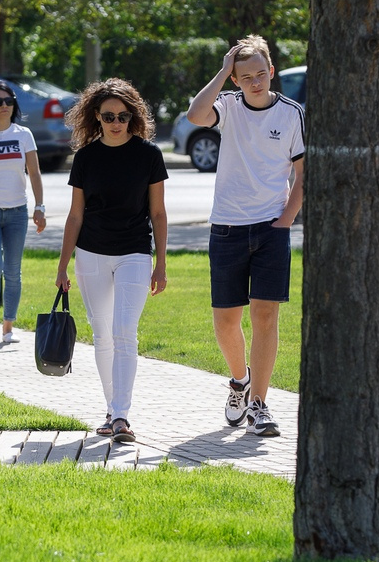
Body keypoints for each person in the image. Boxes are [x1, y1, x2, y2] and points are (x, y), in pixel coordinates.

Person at [185, 35, 303, 438]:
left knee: (265, 317)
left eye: (261, 74)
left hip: (272, 228)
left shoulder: (292, 114)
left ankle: (260, 405)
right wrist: (222, 70)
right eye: (245, 76)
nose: (255, 82)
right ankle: (239, 381)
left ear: (272, 72)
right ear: (236, 80)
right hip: (227, 227)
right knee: (225, 321)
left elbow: (304, 175)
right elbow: (195, 115)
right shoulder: (228, 107)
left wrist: (286, 220)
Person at [56, 79, 167, 444]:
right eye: (108, 116)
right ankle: (111, 408)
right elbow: (75, 216)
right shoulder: (86, 157)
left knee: (124, 332)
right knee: (102, 334)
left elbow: (158, 213)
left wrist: (161, 263)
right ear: (96, 117)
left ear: (133, 116)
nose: (116, 122)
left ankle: (121, 415)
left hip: (135, 252)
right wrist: (62, 266)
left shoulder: (149, 155)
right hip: (91, 254)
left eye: (123, 115)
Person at [0, 79, 46, 343]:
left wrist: (39, 206)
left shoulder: (23, 135)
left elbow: (34, 173)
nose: (4, 106)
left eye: (9, 102)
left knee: (13, 270)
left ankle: (8, 327)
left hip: (17, 212)